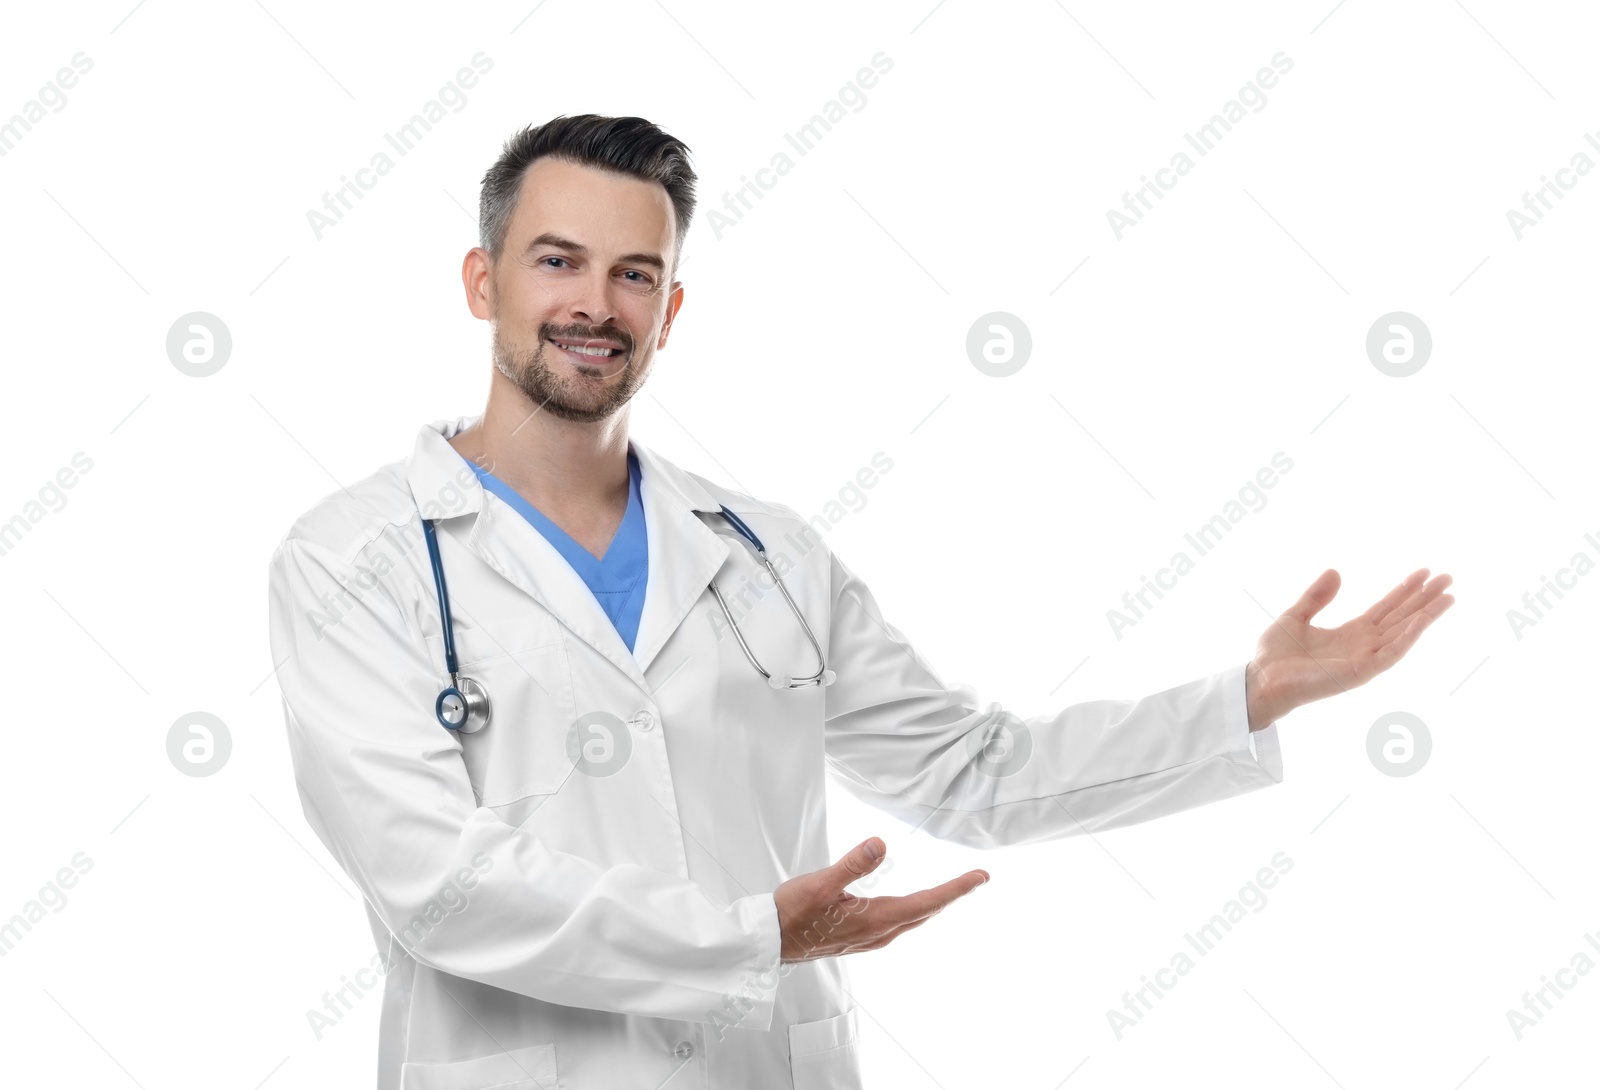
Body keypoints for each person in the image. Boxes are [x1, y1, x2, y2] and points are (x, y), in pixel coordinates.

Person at [265, 114, 1455, 1090]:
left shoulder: (768, 553)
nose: (598, 305)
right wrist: (749, 940)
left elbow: (973, 771)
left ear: (670, 312)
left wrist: (1246, 699)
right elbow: (435, 883)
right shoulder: (355, 562)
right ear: (484, 282)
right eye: (558, 261)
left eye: (638, 274)